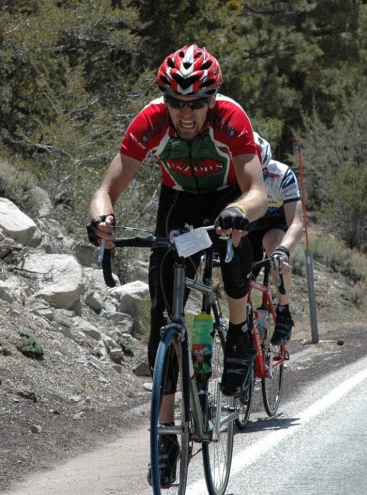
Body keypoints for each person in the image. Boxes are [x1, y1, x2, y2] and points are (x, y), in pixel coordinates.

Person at [86, 45, 266, 487]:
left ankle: (241, 334)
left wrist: (240, 212)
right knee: (162, 315)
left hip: (228, 197)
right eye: (176, 102)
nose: (186, 113)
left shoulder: (231, 119)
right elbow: (106, 189)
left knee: (235, 245)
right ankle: (166, 436)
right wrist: (100, 219)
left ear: (212, 99)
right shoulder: (150, 121)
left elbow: (258, 191)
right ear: (164, 99)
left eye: (197, 103)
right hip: (179, 202)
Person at [247, 132, 304, 344]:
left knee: (274, 245)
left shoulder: (282, 175)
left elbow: (297, 223)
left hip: (275, 225)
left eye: (261, 172)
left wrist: (284, 250)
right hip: (249, 228)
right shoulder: (233, 174)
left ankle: (283, 311)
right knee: (241, 278)